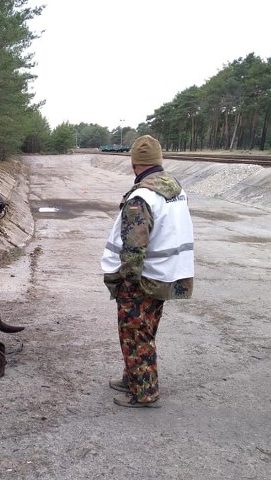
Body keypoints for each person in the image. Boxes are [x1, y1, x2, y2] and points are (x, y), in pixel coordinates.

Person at [101, 135, 194, 408]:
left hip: (143, 279)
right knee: (145, 331)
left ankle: (144, 393)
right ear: (158, 161)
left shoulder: (142, 197)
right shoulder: (175, 189)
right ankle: (133, 377)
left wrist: (126, 281)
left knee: (135, 333)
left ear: (134, 164)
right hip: (167, 274)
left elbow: (133, 247)